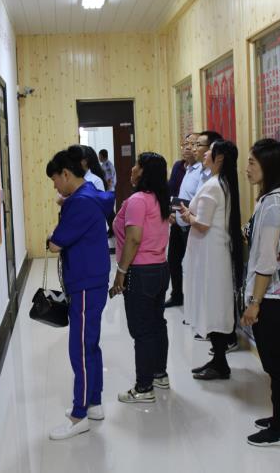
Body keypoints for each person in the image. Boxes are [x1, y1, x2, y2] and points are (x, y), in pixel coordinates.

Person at [45, 146, 115, 440]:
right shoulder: (92, 195)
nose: (55, 187)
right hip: (92, 279)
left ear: (65, 174)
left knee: (81, 349)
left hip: (85, 283)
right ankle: (94, 403)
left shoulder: (79, 203)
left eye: (55, 180)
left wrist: (52, 237)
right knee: (90, 345)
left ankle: (79, 415)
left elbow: (55, 244)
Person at [240, 138, 280, 447]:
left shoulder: (275, 205)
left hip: (273, 293)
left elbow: (266, 259)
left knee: (276, 361)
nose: (247, 168)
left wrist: (255, 302)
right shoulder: (270, 200)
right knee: (276, 359)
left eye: (252, 162)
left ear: (269, 166)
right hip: (274, 290)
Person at [180, 140, 243, 380]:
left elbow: (203, 224)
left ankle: (220, 363)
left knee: (212, 305)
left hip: (210, 256)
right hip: (213, 254)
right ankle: (218, 360)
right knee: (214, 304)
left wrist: (187, 215)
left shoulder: (214, 185)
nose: (204, 153)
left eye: (209, 150)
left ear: (219, 158)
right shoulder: (221, 183)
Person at [110, 152, 171, 403]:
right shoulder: (159, 199)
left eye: (137, 165)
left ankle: (144, 388)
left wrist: (121, 272)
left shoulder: (137, 200)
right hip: (160, 269)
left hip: (141, 272)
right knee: (157, 323)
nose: (132, 169)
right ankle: (159, 374)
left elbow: (134, 239)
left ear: (144, 172)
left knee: (142, 330)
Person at [164, 133, 201, 309]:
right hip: (177, 221)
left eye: (193, 144)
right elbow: (172, 192)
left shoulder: (201, 170)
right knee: (173, 260)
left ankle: (194, 303)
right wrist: (170, 212)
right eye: (185, 143)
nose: (188, 147)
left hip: (192, 223)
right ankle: (177, 295)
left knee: (192, 265)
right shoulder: (179, 167)